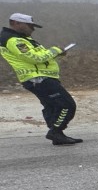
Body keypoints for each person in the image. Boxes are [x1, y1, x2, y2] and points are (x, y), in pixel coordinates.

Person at [1, 12, 81, 145]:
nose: (32, 29)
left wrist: (58, 55)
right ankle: (55, 131)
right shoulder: (14, 40)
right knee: (67, 105)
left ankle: (57, 135)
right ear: (16, 23)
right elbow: (35, 58)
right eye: (30, 26)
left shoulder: (23, 39)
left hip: (40, 77)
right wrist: (55, 50)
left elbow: (41, 57)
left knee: (51, 106)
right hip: (38, 79)